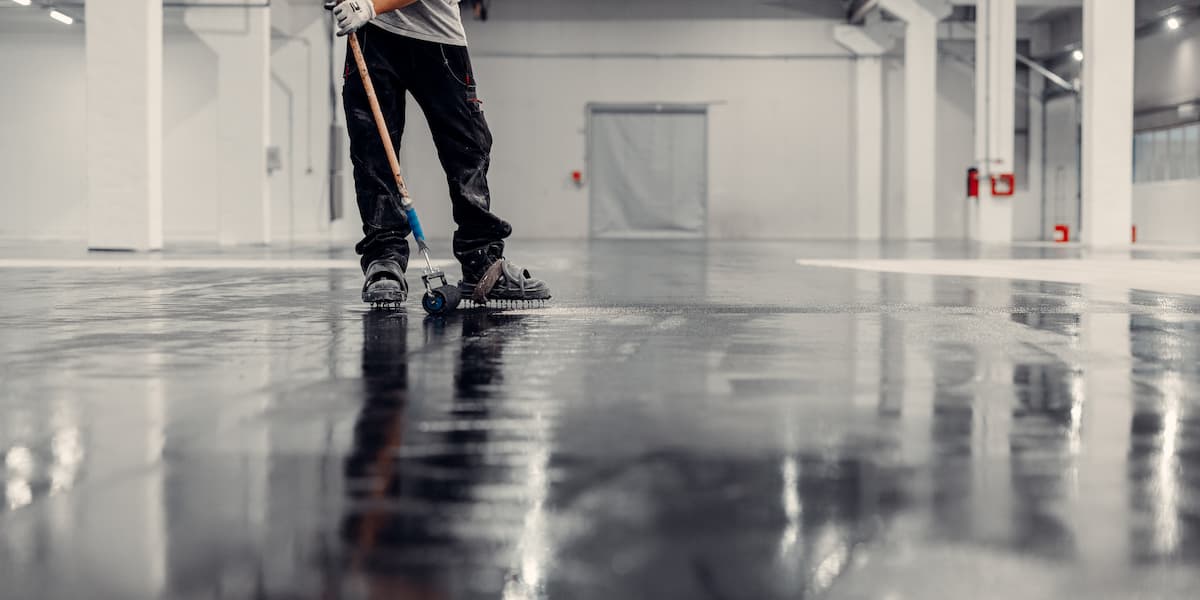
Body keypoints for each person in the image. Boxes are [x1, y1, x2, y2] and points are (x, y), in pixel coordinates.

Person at [329, 0, 551, 305]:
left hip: (436, 37)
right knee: (372, 152)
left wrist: (369, 5)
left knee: (468, 148)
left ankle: (481, 260)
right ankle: (384, 260)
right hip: (371, 35)